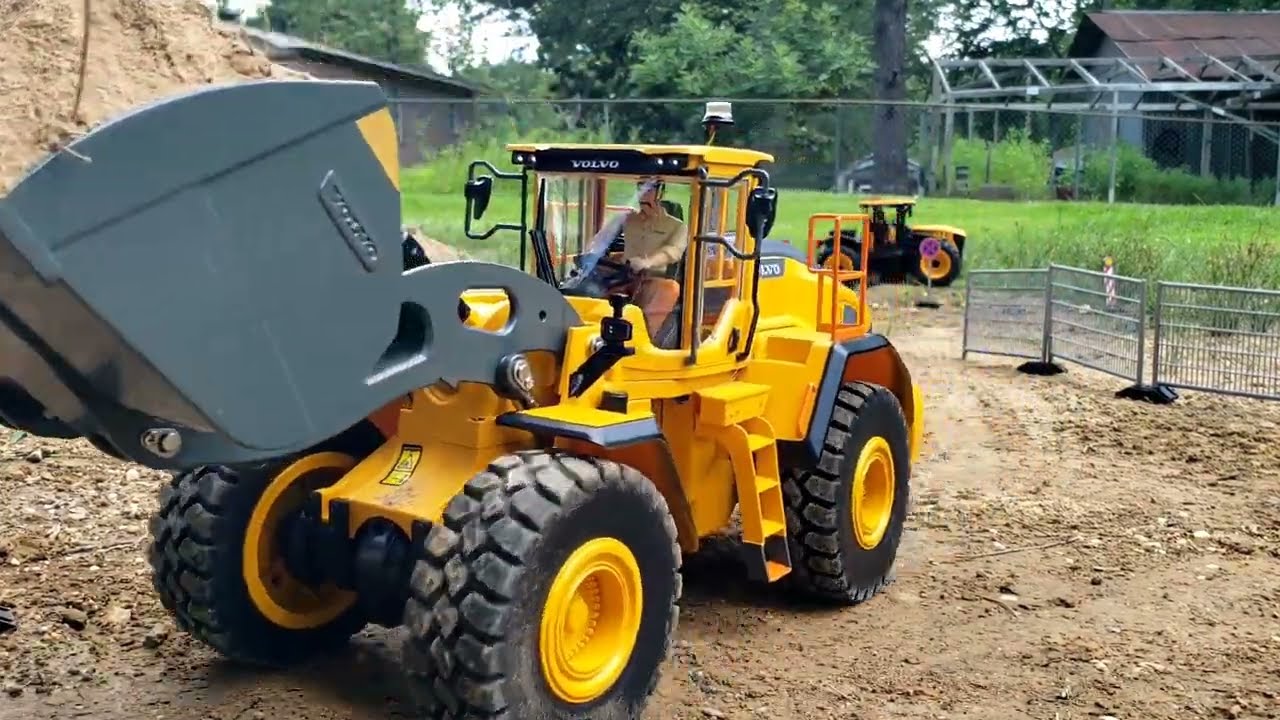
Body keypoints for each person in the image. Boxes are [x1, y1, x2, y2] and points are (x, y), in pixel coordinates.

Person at [613, 178, 687, 343]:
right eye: (641, 187)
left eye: (650, 188)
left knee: (670, 289)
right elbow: (605, 237)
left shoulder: (677, 227)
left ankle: (642, 340)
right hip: (623, 277)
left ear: (660, 193)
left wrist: (648, 262)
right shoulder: (628, 220)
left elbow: (673, 252)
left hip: (653, 280)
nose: (644, 192)